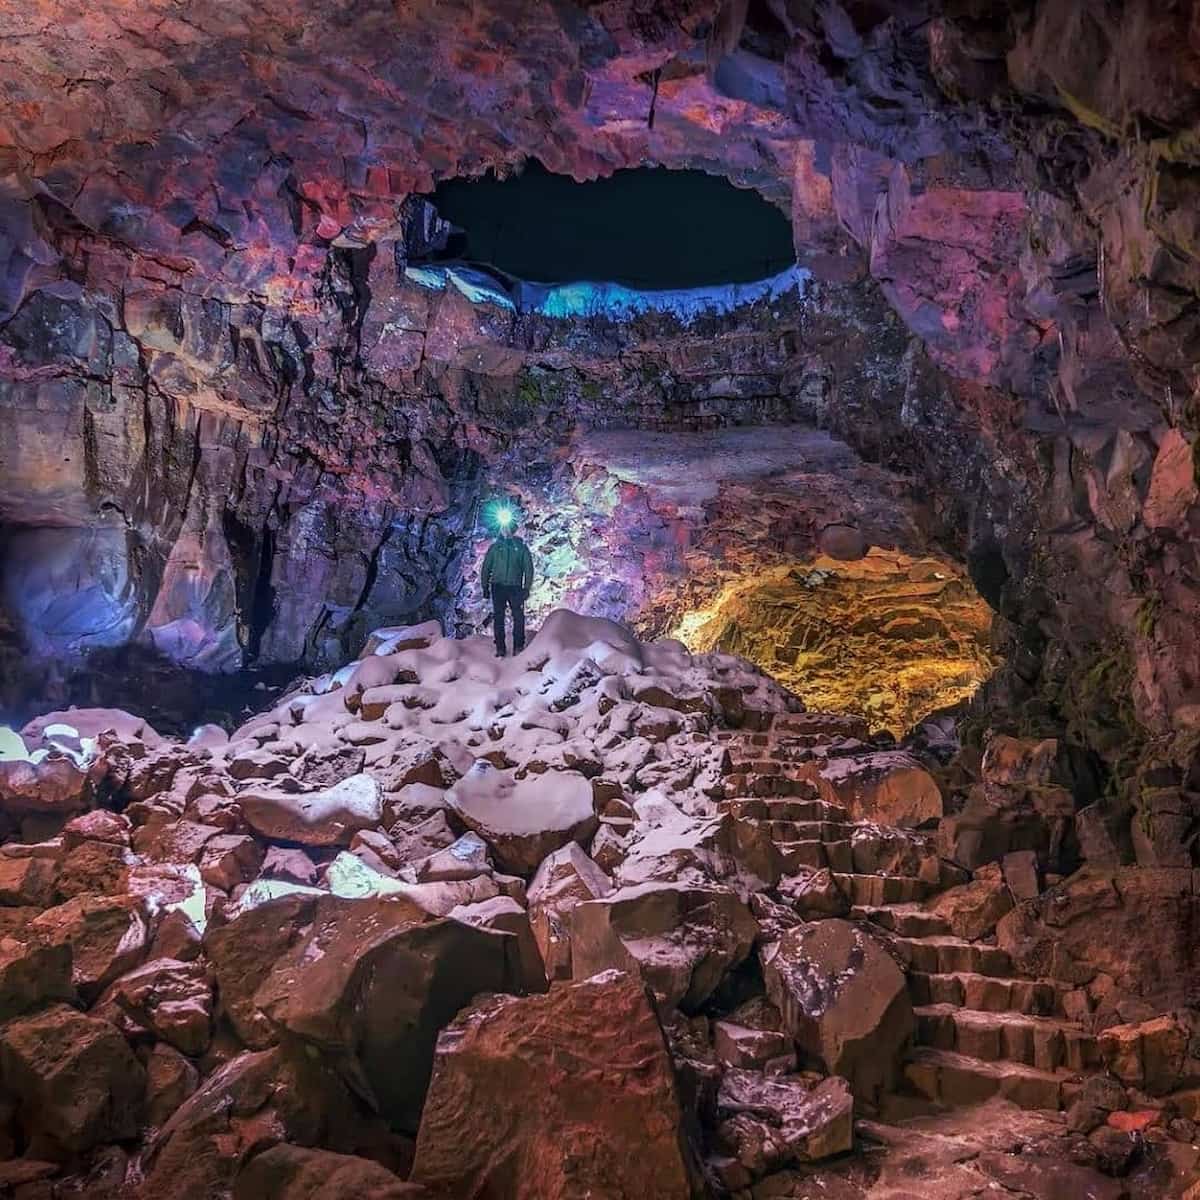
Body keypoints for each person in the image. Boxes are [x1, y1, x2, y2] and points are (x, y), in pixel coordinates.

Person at [481, 514, 533, 657]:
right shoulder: (495, 548)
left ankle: (518, 646)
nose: (506, 530)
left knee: (518, 616)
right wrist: (484, 586)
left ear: (513, 529)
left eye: (508, 527)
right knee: (499, 617)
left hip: (515, 587)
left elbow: (528, 568)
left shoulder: (521, 548)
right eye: (503, 527)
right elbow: (486, 567)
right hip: (498, 587)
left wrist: (526, 588)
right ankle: (500, 648)